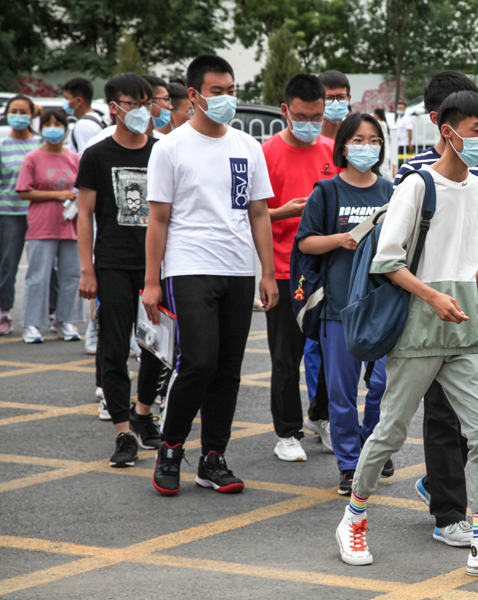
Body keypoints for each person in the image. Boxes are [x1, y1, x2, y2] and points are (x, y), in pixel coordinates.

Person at [334, 90, 478, 582]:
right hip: (419, 330)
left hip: (464, 330)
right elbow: (387, 261)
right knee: (390, 432)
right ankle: (353, 519)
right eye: (476, 131)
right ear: (448, 132)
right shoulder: (417, 186)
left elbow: (472, 265)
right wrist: (432, 297)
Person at [394, 70, 478, 547]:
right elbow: (401, 247)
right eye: (473, 126)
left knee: (475, 413)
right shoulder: (414, 172)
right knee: (443, 414)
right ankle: (448, 513)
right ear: (442, 122)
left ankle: (437, 481)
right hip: (434, 309)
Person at [143, 55, 278, 496]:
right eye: (217, 91)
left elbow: (258, 213)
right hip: (188, 266)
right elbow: (158, 219)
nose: (227, 99)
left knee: (228, 369)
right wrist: (151, 282)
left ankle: (213, 459)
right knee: (198, 361)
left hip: (237, 269)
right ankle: (170, 449)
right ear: (195, 95)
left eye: (231, 90)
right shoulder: (170, 148)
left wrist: (268, 273)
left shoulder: (248, 146)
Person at [75, 72, 166, 467]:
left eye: (148, 103)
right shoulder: (97, 155)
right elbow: (84, 214)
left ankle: (144, 414)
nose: (143, 110)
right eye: (133, 103)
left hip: (156, 265)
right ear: (114, 108)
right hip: (112, 263)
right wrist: (87, 269)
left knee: (156, 346)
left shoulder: (162, 151)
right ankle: (123, 432)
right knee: (113, 349)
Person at [297, 113, 391, 493]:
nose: (367, 147)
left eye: (374, 140)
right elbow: (306, 242)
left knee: (384, 384)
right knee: (341, 391)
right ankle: (349, 464)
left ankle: (373, 445)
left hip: (384, 305)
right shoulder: (326, 191)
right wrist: (340, 239)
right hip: (338, 307)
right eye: (358, 140)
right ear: (343, 147)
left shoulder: (392, 191)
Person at [261, 73, 335, 463]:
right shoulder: (265, 153)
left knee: (333, 352)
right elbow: (251, 215)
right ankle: (287, 432)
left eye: (317, 117)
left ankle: (321, 416)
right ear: (285, 111)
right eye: (301, 117)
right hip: (285, 269)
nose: (310, 124)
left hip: (329, 269)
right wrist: (282, 212)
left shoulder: (333, 150)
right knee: (286, 357)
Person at [16, 108, 81, 343]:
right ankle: (32, 324)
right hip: (42, 225)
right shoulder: (32, 158)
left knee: (71, 275)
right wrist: (57, 195)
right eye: (48, 124)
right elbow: (24, 191)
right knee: (38, 277)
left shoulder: (75, 159)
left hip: (71, 225)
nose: (53, 128)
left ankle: (65, 321)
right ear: (41, 128)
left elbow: (82, 189)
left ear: (65, 128)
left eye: (58, 124)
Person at [0, 96, 43, 335]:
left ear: (32, 115)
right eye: (13, 111)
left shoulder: (41, 144)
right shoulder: (2, 146)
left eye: (22, 111)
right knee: (7, 263)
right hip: (9, 213)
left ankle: (53, 312)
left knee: (47, 265)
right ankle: (4, 311)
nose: (17, 116)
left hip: (41, 214)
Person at [63, 78, 104, 156]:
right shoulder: (98, 119)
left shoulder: (83, 125)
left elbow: (84, 158)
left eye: (67, 98)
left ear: (78, 101)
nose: (65, 102)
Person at [318, 70, 351, 140]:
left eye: (341, 97)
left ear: (349, 99)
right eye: (329, 98)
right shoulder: (309, 137)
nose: (335, 103)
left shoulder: (354, 135)